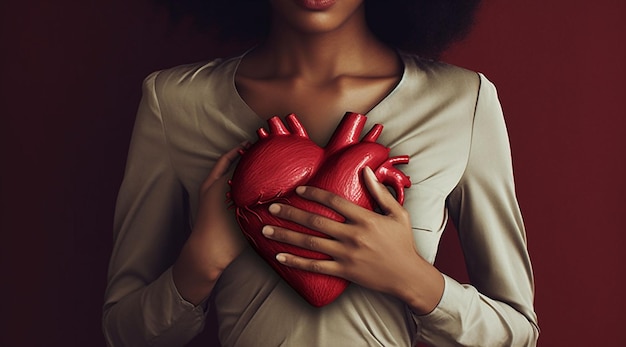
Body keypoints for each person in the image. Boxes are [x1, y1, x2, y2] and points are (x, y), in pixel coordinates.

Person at [103, 0, 539, 346]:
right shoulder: (175, 102)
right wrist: (200, 262)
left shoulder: (462, 102)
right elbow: (123, 332)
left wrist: (413, 280)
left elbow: (517, 332)